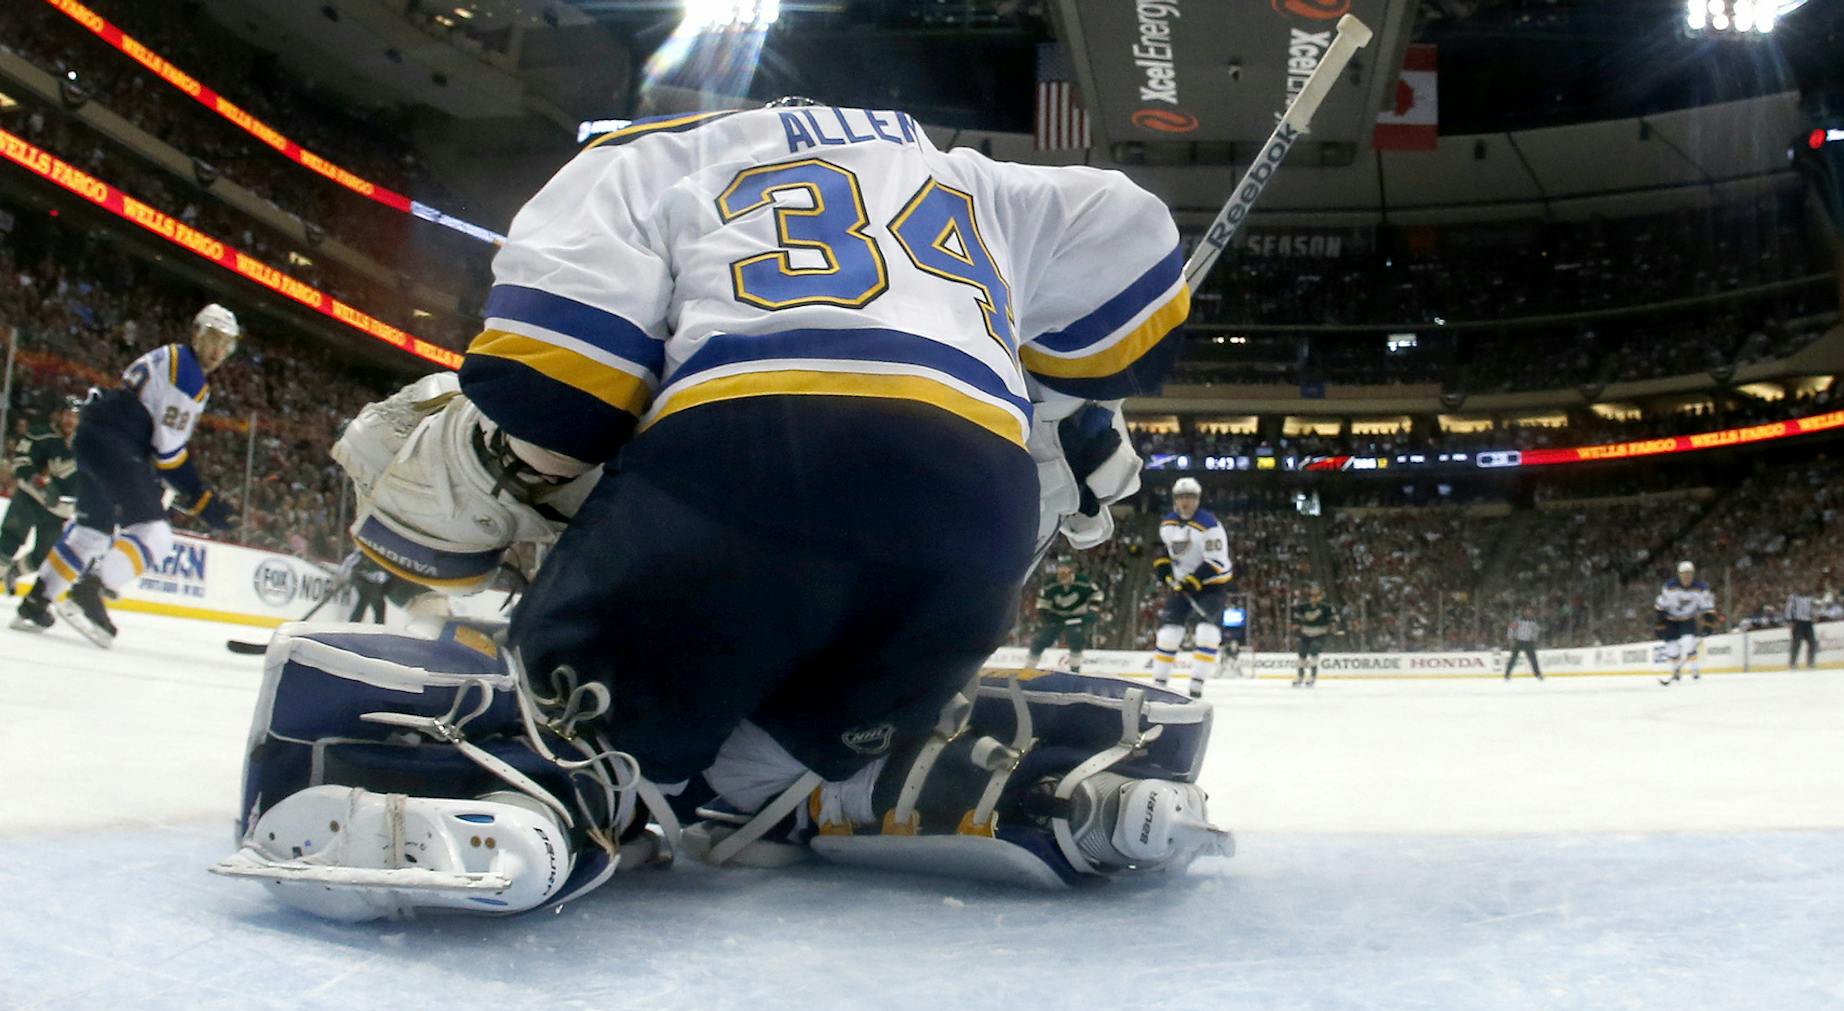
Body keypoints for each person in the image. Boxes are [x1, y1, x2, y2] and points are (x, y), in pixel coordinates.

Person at [213, 100, 1229, 919]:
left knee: (599, 732)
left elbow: (554, 392)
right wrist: (1066, 406)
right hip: (973, 520)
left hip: (751, 462)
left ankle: (530, 790)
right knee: (769, 778)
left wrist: (498, 507)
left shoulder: (652, 154)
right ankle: (970, 779)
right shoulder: (984, 183)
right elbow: (1130, 276)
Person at [12, 308, 241, 644]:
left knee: (90, 530)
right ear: (196, 332)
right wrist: (203, 499)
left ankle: (36, 603)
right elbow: (168, 455)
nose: (217, 351)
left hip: (94, 435)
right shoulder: (189, 376)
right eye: (212, 339)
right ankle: (90, 591)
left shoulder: (172, 356)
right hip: (116, 443)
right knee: (155, 534)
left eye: (226, 344)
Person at [1150, 477, 1233, 698]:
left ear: (1197, 500)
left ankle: (1196, 687)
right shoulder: (1167, 523)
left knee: (1207, 632)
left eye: (1190, 497)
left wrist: (1191, 582)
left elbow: (1215, 563)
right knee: (1168, 633)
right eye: (1181, 497)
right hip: (1182, 585)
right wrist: (1164, 570)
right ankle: (1159, 685)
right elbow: (1163, 551)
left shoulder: (1210, 525)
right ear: (1175, 500)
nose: (1185, 502)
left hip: (1211, 586)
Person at [1, 398, 80, 592]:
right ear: (60, 415)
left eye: (75, 416)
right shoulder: (40, 434)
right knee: (9, 540)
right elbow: (20, 461)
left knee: (45, 555)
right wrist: (40, 482)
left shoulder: (86, 446)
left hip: (58, 508)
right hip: (30, 497)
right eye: (68, 414)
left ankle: (14, 572)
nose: (70, 420)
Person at [1026, 557, 1104, 672]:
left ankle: (1075, 670)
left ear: (1072, 571)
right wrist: (1045, 617)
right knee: (1040, 640)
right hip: (1056, 618)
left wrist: (1093, 610)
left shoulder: (1084, 581)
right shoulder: (1050, 584)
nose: (1061, 574)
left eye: (1065, 570)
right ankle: (1028, 669)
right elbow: (1042, 602)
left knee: (1076, 638)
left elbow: (1097, 594)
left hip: (1077, 617)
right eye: (1060, 569)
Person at [1653, 559, 1716, 686]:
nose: (1687, 577)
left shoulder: (1701, 588)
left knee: (1688, 642)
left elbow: (1708, 607)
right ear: (1679, 574)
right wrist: (1659, 623)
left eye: (1689, 574)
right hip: (1670, 620)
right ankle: (1676, 672)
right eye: (1684, 574)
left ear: (1693, 574)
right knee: (1672, 649)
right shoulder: (1670, 587)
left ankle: (1695, 669)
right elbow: (1660, 606)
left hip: (1688, 619)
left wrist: (1708, 623)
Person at [1290, 581, 1334, 688]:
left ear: (1321, 596)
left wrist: (1332, 626)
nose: (1313, 598)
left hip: (1319, 634)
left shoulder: (1326, 608)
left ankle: (1312, 676)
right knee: (1302, 652)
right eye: (1311, 596)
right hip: (1305, 633)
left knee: (1314, 650)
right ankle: (1300, 676)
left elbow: (1333, 619)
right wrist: (1296, 625)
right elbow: (1297, 618)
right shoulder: (1303, 606)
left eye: (1316, 596)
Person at [1784, 585, 1819, 670]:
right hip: (1798, 622)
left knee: (1812, 642)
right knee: (1796, 643)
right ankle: (1792, 663)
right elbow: (1788, 609)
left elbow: (1812, 608)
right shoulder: (1793, 597)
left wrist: (1814, 615)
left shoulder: (1810, 597)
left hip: (1808, 622)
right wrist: (1789, 620)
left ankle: (1810, 663)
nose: (1804, 588)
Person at [1504, 612, 1543, 682]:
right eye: (1527, 612)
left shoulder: (1533, 622)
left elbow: (1536, 631)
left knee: (1533, 659)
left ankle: (1537, 674)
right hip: (1519, 641)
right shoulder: (1518, 621)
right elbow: (1510, 628)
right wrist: (1510, 638)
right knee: (1513, 659)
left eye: (1530, 612)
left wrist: (1534, 638)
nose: (1528, 613)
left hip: (1528, 642)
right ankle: (1507, 674)